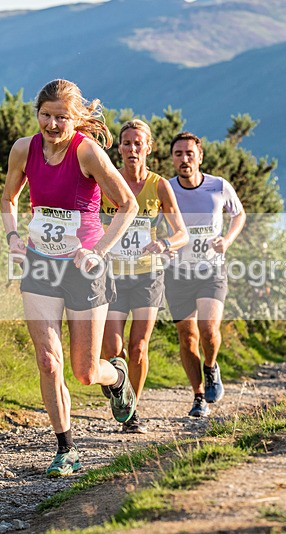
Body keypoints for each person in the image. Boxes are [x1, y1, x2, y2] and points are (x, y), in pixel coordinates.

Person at [0, 79, 139, 477]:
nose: (52, 124)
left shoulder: (88, 151)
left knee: (85, 371)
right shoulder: (24, 149)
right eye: (46, 115)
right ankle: (66, 448)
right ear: (37, 114)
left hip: (83, 268)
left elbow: (126, 205)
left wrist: (98, 251)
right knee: (47, 359)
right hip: (41, 263)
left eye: (62, 117)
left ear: (75, 118)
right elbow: (9, 198)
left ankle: (117, 377)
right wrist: (13, 237)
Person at [100, 120, 188, 433]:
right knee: (112, 350)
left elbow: (181, 233)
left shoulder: (159, 185)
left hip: (148, 276)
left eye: (139, 144)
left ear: (148, 148)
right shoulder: (107, 181)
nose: (133, 149)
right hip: (112, 276)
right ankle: (118, 389)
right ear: (119, 147)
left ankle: (131, 410)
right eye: (127, 143)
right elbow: (87, 220)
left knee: (138, 348)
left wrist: (164, 243)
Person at [165, 131, 246, 417]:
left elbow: (239, 215)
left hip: (211, 269)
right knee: (187, 337)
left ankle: (211, 367)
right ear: (172, 159)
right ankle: (198, 395)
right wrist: (166, 246)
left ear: (200, 157)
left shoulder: (218, 186)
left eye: (190, 153)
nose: (185, 159)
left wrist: (227, 240)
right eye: (179, 154)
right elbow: (150, 219)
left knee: (209, 330)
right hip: (177, 273)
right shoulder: (167, 189)